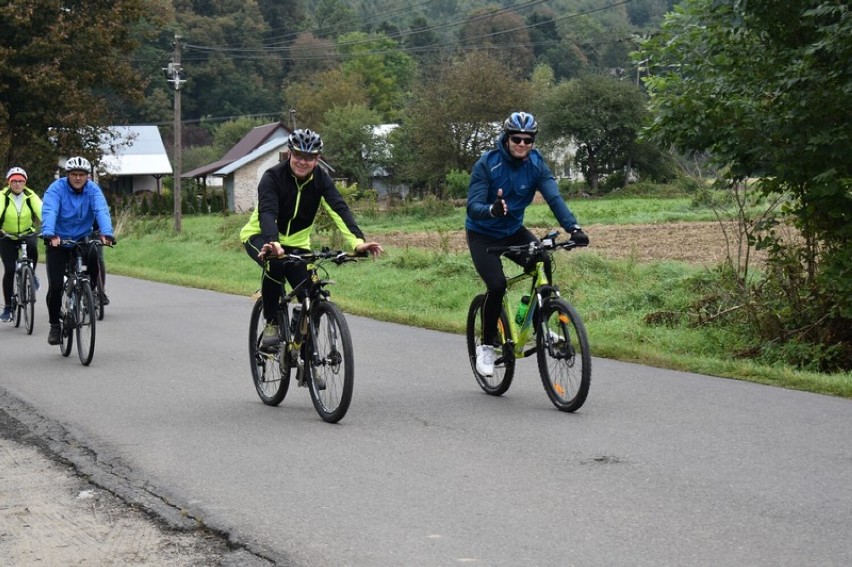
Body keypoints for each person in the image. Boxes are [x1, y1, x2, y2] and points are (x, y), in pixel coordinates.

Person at [466, 111, 589, 377]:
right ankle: (487, 346)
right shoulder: (487, 164)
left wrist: (574, 227)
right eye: (516, 138)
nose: (522, 144)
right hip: (482, 234)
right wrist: (492, 209)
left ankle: (541, 324)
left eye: (528, 139)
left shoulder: (536, 163)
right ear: (507, 137)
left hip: (512, 231)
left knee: (543, 261)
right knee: (497, 286)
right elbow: (473, 207)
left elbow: (554, 197)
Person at [239, 129, 382, 348]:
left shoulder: (321, 180)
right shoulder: (272, 177)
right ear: (289, 154)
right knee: (275, 264)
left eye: (309, 157)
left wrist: (357, 242)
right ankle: (271, 323)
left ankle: (304, 335)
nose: (302, 162)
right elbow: (267, 212)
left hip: (297, 244)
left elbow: (339, 209)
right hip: (260, 237)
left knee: (312, 291)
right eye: (298, 155)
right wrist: (273, 241)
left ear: (317, 159)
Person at [41, 157, 114, 345]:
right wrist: (49, 233)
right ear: (68, 175)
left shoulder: (93, 190)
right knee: (56, 286)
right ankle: (55, 326)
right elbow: (50, 210)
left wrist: (106, 233)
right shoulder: (56, 188)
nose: (78, 178)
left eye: (82, 175)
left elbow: (101, 210)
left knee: (93, 256)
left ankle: (88, 292)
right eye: (74, 174)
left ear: (88, 176)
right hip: (58, 239)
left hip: (82, 237)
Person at [1, 167, 43, 322]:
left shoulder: (30, 195)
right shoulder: (2, 197)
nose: (18, 184)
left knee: (33, 247)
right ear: (9, 182)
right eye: (14, 181)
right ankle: (7, 308)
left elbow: (42, 211)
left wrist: (49, 228)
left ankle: (32, 273)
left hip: (27, 233)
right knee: (10, 269)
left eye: (21, 181)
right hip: (7, 236)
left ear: (25, 182)